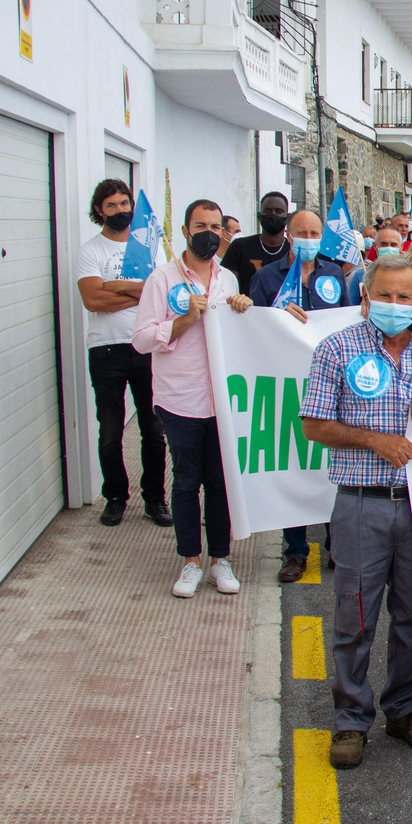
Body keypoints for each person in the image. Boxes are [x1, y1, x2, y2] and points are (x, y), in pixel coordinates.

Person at [298, 253, 412, 769]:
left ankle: (404, 709)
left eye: (403, 297)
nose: (394, 305)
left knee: (411, 618)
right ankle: (351, 720)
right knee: (353, 617)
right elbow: (314, 425)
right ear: (366, 295)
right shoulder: (336, 349)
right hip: (360, 504)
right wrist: (376, 440)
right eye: (384, 295)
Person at [132, 199, 255, 598]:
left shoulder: (229, 279)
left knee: (220, 482)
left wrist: (243, 309)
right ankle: (190, 561)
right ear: (185, 230)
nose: (209, 232)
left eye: (216, 226)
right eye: (200, 225)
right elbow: (141, 339)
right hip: (179, 400)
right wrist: (183, 321)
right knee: (186, 482)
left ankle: (221, 559)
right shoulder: (162, 280)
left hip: (222, 401)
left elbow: (240, 337)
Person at [250, 210, 348, 582]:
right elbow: (253, 327)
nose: (309, 236)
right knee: (293, 463)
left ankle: (334, 543)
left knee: (329, 466)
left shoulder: (334, 274)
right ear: (288, 235)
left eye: (315, 231)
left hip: (330, 384)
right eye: (301, 231)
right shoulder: (266, 277)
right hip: (285, 383)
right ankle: (294, 552)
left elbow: (346, 318)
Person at [78, 180, 168, 528]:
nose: (119, 210)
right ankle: (115, 497)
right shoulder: (91, 251)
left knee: (153, 428)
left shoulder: (150, 248)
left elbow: (162, 293)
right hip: (107, 349)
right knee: (110, 431)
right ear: (99, 210)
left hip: (147, 346)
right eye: (111, 206)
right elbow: (93, 300)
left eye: (124, 203)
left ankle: (155, 499)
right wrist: (141, 291)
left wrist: (119, 286)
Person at [222, 190, 292, 294]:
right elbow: (226, 287)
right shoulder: (239, 247)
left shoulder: (293, 250)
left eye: (278, 211)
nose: (273, 215)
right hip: (248, 309)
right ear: (259, 217)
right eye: (268, 211)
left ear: (287, 217)